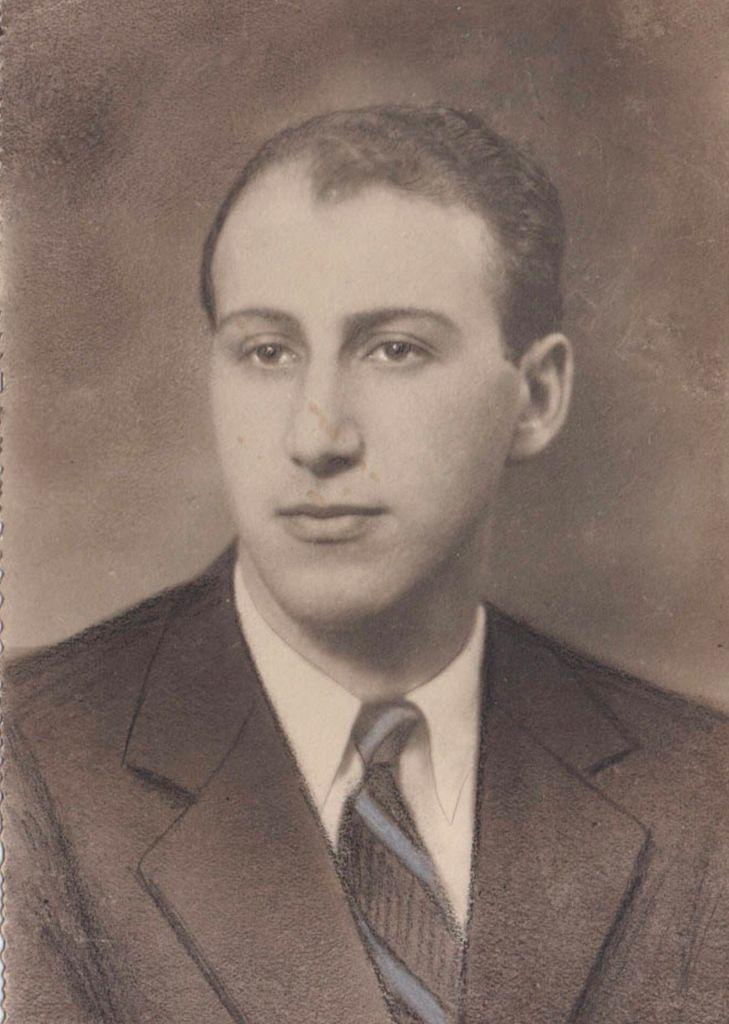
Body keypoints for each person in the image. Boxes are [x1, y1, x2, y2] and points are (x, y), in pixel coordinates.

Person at [5, 106, 729, 1024]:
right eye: (267, 351)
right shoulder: (27, 766)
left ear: (536, 398)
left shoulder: (702, 793)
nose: (318, 437)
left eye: (394, 349)